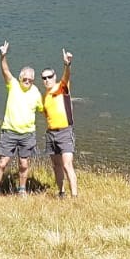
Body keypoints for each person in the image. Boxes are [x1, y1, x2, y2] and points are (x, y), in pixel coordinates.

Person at [0, 40, 43, 195]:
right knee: (2, 162)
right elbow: (5, 71)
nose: (27, 81)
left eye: (30, 80)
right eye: (24, 79)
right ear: (20, 78)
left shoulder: (36, 92)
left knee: (24, 164)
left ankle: (22, 190)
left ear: (33, 80)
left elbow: (44, 109)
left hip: (27, 134)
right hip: (10, 132)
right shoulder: (13, 85)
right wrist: (3, 56)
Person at [41, 51, 77, 197]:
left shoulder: (62, 87)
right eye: (44, 78)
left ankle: (75, 196)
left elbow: (67, 75)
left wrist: (67, 64)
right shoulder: (44, 97)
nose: (47, 80)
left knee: (67, 164)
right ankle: (61, 192)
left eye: (49, 77)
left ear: (54, 77)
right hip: (51, 134)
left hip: (65, 131)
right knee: (56, 166)